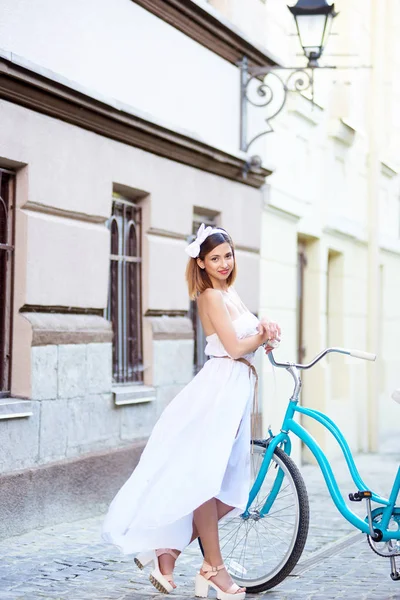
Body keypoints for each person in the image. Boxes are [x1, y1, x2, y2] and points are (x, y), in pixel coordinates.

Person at [102, 224, 281, 599]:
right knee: (208, 479)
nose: (223, 263)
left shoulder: (229, 293)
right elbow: (233, 348)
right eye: (214, 259)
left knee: (229, 493)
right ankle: (213, 568)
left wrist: (265, 328)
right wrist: (259, 337)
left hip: (235, 391)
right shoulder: (210, 297)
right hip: (218, 390)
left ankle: (167, 551)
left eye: (227, 256)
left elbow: (245, 338)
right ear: (200, 263)